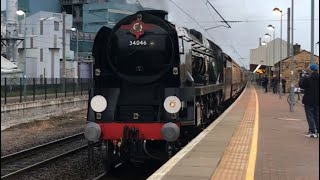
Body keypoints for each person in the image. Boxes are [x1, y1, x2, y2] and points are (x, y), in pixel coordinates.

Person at [299, 64, 319, 138]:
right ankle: (318, 132)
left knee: (310, 116)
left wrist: (303, 77)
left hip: (308, 100)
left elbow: (301, 85)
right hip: (318, 101)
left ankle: (312, 132)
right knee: (317, 116)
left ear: (311, 70)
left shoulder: (308, 78)